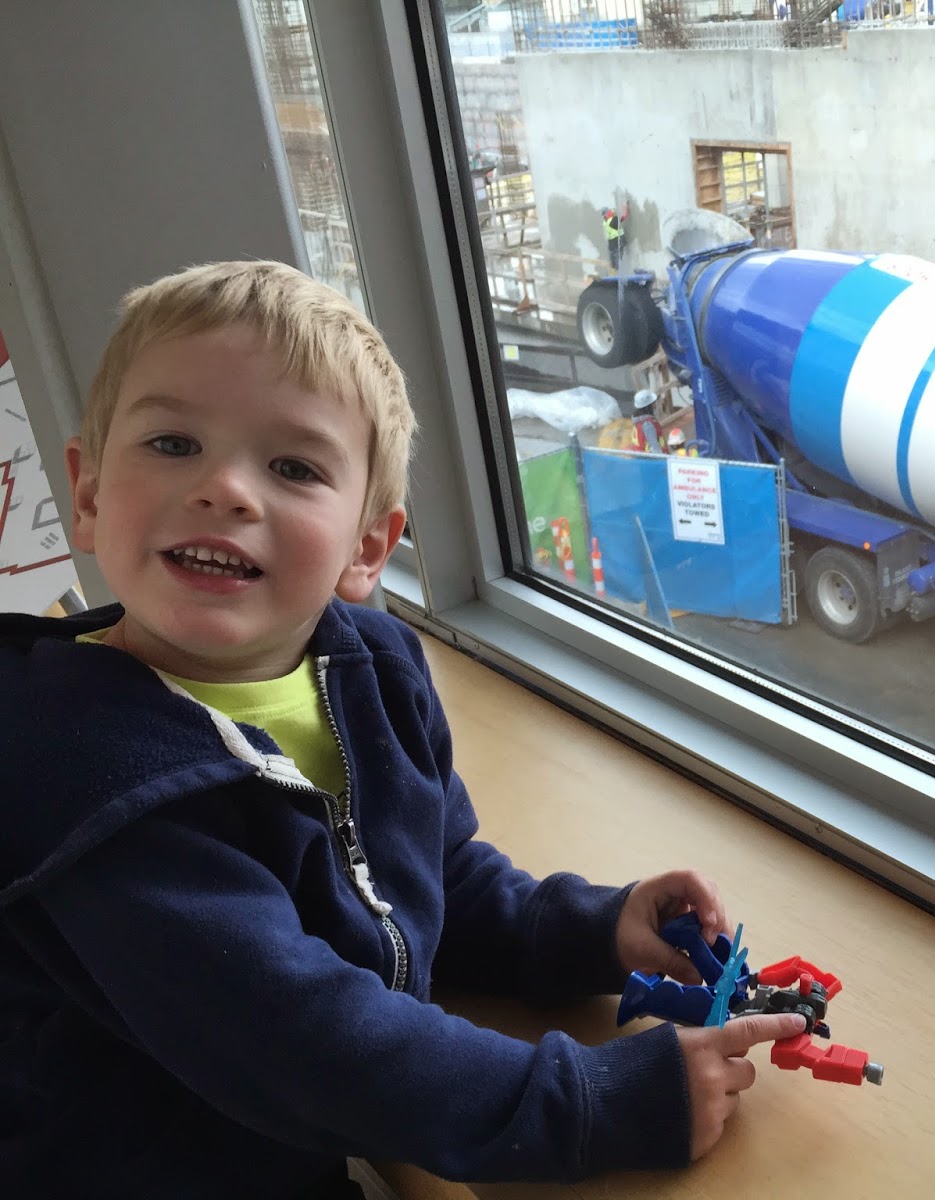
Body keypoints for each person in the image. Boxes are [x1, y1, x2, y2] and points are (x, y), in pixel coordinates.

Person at [0, 260, 806, 1198]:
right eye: (173, 443)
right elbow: (305, 1041)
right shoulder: (86, 779)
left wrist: (590, 930)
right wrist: (590, 1103)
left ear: (367, 549)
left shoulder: (373, 669)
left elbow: (432, 875)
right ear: (90, 494)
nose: (224, 489)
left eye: (293, 467)